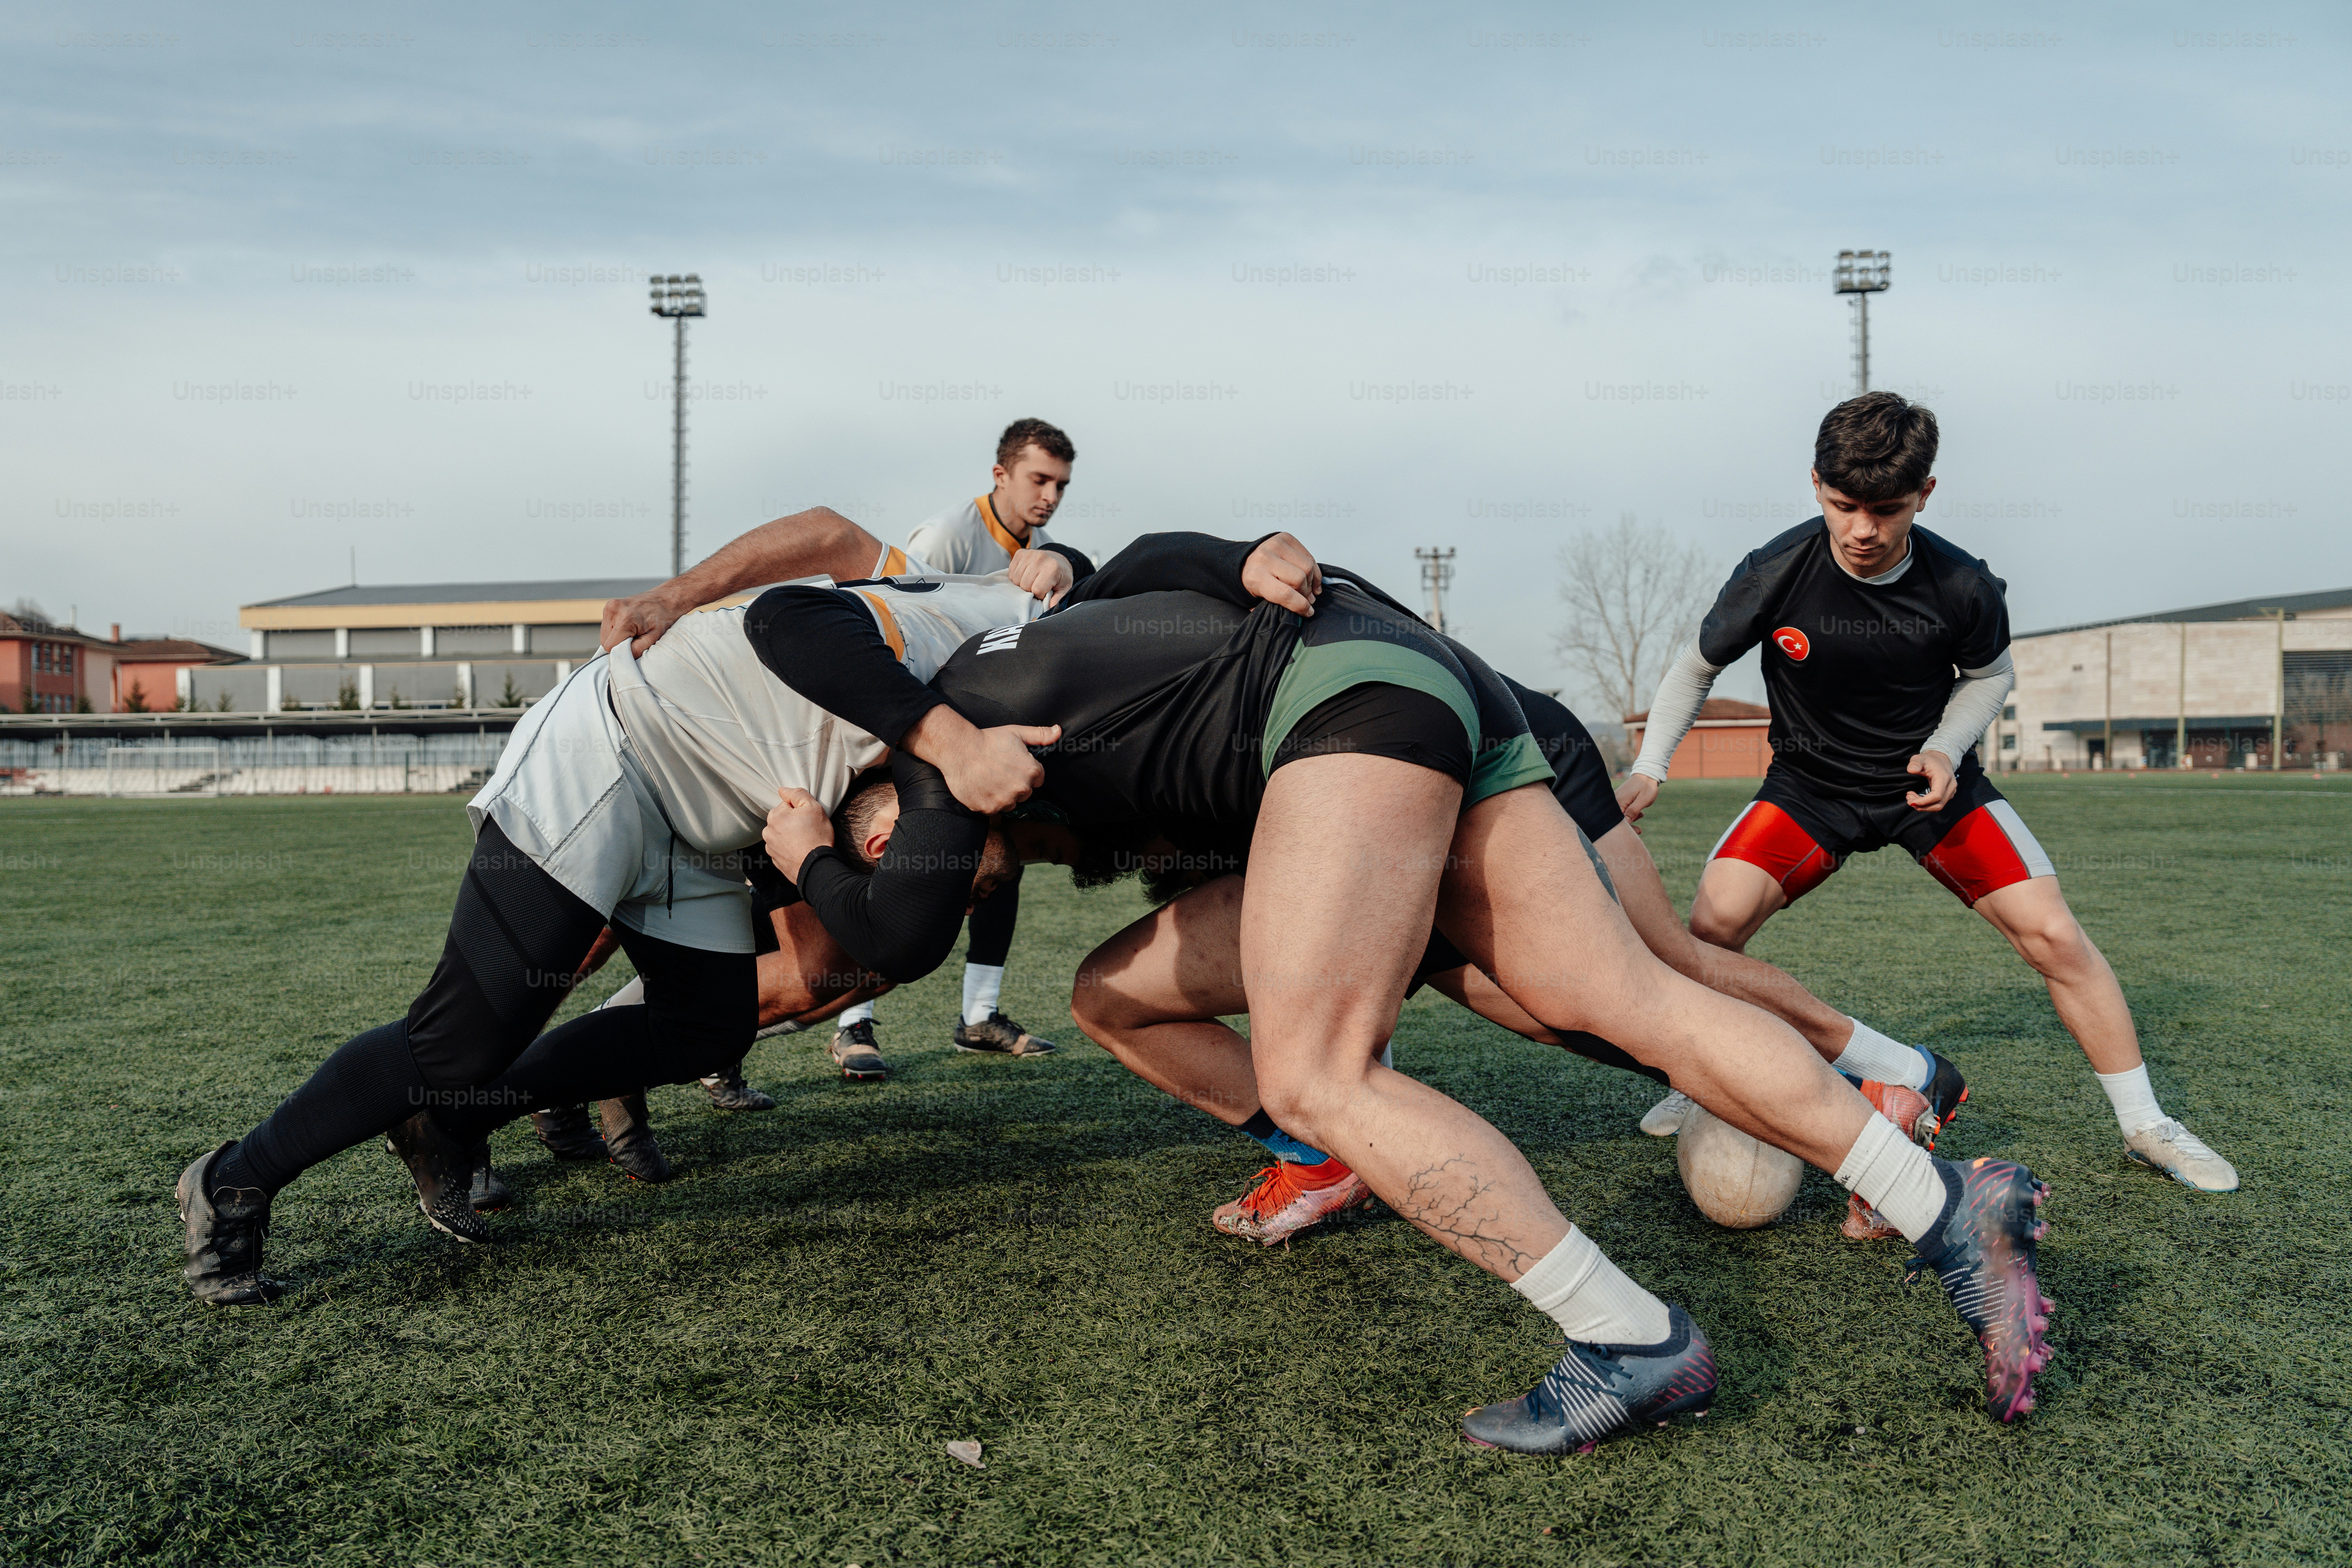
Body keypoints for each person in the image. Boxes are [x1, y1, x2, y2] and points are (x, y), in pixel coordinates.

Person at [749, 532, 2057, 1446]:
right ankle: (1941, 1202)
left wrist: (806, 836)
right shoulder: (1042, 692)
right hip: (1418, 692)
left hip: (1348, 711)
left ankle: (1628, 1341)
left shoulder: (934, 754)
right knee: (1616, 997)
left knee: (1325, 1065)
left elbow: (875, 892)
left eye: (881, 836)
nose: (905, 857)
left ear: (884, 801)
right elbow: (1153, 574)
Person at [174, 507, 1080, 1306]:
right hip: (611, 752)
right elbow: (826, 541)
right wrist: (673, 594)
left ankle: (449, 1119)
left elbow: (844, 547)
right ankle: (235, 1179)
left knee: (704, 1024)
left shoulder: (999, 619)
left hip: (701, 820)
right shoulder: (980, 632)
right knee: (461, 1038)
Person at [1067, 659, 1942, 1247]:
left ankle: (1887, 1077)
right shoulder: (1177, 718)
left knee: (1653, 968)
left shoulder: (1166, 703)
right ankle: (1868, 1093)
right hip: (1429, 768)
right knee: (1556, 1011)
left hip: (1502, 745)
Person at [1619, 393, 2237, 1194]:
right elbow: (1694, 669)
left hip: (1929, 787)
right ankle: (1694, 1079)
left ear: (1925, 495)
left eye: (1886, 508)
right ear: (1815, 486)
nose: (1862, 530)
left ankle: (2146, 1124)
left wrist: (1945, 749)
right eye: (1843, 506)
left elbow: (1989, 676)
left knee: (2053, 934)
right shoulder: (1773, 572)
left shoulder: (1962, 584)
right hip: (1809, 787)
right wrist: (1650, 765)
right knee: (1709, 927)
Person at [829, 417, 1081, 1079]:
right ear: (1000, 475)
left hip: (980, 735)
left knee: (1001, 861)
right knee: (881, 868)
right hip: (907, 735)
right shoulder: (946, 536)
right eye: (1038, 479)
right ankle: (852, 1024)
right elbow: (893, 626)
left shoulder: (1047, 551)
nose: (1050, 495)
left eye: (1060, 483)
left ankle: (979, 1016)